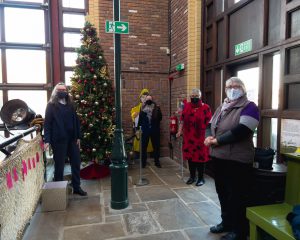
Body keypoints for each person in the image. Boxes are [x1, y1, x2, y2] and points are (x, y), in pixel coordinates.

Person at [204, 77, 260, 240]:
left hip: (238, 160)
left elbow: (242, 129)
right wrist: (208, 137)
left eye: (236, 86)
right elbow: (209, 124)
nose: (233, 89)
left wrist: (217, 140)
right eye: (229, 86)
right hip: (219, 158)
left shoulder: (250, 107)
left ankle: (239, 231)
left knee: (237, 195)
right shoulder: (222, 106)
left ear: (243, 89)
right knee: (222, 192)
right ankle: (226, 222)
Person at [44, 82, 87, 196]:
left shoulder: (70, 104)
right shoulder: (51, 105)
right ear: (55, 91)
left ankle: (76, 186)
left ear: (66, 91)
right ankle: (58, 190)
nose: (62, 92)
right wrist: (47, 141)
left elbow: (76, 121)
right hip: (58, 140)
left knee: (76, 162)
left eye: (64, 90)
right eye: (59, 90)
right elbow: (47, 124)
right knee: (59, 165)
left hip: (72, 139)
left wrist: (78, 136)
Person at [176, 88, 212, 186]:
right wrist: (179, 131)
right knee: (190, 157)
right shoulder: (186, 107)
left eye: (196, 96)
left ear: (200, 97)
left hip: (201, 137)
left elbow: (209, 124)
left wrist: (208, 137)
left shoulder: (206, 108)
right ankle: (192, 177)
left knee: (200, 158)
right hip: (188, 137)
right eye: (192, 96)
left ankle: (201, 178)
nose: (194, 98)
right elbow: (182, 120)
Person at [138, 95, 162, 168]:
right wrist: (138, 128)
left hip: (154, 130)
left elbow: (160, 118)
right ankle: (143, 163)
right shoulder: (142, 108)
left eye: (150, 99)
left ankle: (157, 161)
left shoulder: (156, 108)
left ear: (152, 99)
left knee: (156, 147)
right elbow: (140, 119)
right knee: (143, 147)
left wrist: (157, 112)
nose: (148, 100)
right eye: (147, 99)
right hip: (145, 130)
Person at [130, 89, 153, 156]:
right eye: (143, 97)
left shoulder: (151, 107)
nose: (144, 99)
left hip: (147, 129)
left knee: (147, 144)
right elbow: (133, 116)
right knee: (138, 144)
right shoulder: (136, 108)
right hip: (139, 130)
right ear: (140, 98)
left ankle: (146, 157)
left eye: (146, 97)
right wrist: (134, 115)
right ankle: (138, 156)